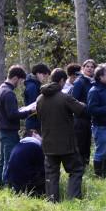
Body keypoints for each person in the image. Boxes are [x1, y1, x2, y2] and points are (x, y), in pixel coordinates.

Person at [36, 68, 87, 202]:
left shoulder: (40, 98)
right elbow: (81, 110)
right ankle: (73, 199)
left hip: (48, 143)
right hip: (66, 144)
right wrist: (81, 103)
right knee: (76, 170)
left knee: (51, 174)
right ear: (62, 80)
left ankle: (52, 201)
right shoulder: (64, 97)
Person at [0, 65, 36, 188]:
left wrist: (20, 110)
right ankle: (7, 185)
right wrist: (29, 111)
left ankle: (0, 183)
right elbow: (12, 115)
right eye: (21, 81)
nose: (20, 83)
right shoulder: (9, 93)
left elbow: (9, 111)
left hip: (2, 130)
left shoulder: (0, 89)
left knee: (2, 160)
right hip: (9, 132)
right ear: (15, 78)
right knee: (9, 160)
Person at [4, 124, 46, 197]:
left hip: (11, 184)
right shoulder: (36, 147)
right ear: (34, 134)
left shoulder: (18, 145)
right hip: (25, 185)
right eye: (40, 135)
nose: (41, 138)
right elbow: (43, 169)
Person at [71, 59, 96, 167]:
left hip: (90, 118)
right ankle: (79, 166)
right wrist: (84, 106)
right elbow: (73, 100)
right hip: (80, 118)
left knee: (87, 143)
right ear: (83, 68)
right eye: (87, 67)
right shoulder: (79, 82)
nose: (90, 69)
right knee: (80, 143)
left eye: (92, 67)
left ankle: (86, 164)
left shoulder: (94, 82)